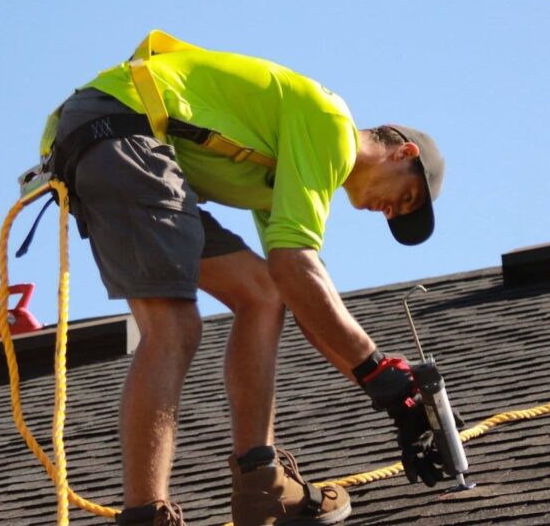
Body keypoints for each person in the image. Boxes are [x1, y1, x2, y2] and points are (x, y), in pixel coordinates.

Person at [40, 30, 446, 526]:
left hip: (124, 144)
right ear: (403, 152)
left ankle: (261, 484)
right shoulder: (330, 124)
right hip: (121, 133)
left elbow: (294, 287)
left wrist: (388, 394)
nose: (390, 213)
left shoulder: (290, 172)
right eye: (405, 199)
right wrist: (382, 373)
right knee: (173, 328)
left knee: (263, 294)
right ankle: (145, 515)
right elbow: (301, 265)